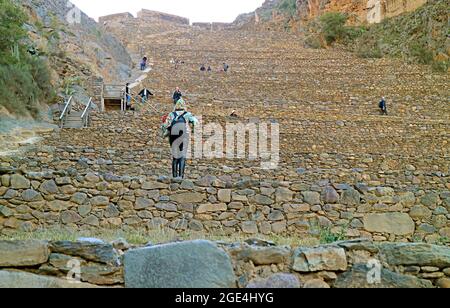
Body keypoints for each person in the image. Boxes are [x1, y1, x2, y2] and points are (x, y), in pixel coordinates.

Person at [161, 99, 198, 179]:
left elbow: (164, 125)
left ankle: (174, 176)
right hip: (184, 134)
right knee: (182, 156)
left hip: (173, 135)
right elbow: (195, 122)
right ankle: (180, 176)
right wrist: (193, 129)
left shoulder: (171, 114)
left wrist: (164, 133)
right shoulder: (188, 114)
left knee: (175, 156)